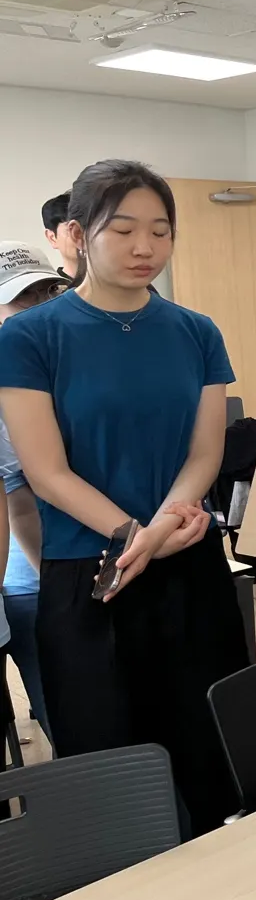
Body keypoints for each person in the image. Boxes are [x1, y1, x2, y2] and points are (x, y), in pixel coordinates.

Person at [0, 160, 249, 834]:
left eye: (161, 231)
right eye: (125, 230)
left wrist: (161, 531)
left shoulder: (196, 331)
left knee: (212, 754)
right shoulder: (28, 337)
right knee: (109, 773)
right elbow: (46, 472)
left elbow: (204, 452)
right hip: (90, 575)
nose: (146, 247)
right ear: (78, 235)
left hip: (188, 560)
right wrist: (135, 538)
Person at [0, 243, 68, 745]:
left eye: (46, 291)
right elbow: (19, 501)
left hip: (99, 564)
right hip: (39, 580)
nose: (38, 306)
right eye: (21, 298)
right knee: (69, 719)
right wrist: (61, 583)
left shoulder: (64, 361)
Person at [42, 191, 80, 284]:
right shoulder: (49, 290)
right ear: (52, 238)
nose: (84, 236)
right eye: (72, 229)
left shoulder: (113, 284)